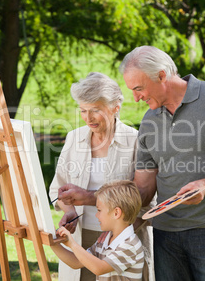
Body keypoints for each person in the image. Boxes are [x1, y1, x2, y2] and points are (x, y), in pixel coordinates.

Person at [118, 46, 205, 281]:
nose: (136, 97)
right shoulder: (149, 120)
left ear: (162, 75)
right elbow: (142, 189)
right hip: (165, 236)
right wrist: (98, 203)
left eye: (139, 88)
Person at [49, 72, 154, 281]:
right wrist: (69, 212)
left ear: (116, 107)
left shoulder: (136, 141)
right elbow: (56, 189)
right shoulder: (74, 138)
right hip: (79, 237)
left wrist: (89, 198)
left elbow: (145, 199)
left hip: (122, 242)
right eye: (83, 110)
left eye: (95, 110)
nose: (88, 118)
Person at [51, 180, 145, 281]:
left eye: (99, 210)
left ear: (116, 213)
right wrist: (52, 242)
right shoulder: (104, 241)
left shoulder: (130, 245)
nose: (96, 215)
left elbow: (99, 268)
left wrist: (72, 244)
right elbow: (76, 262)